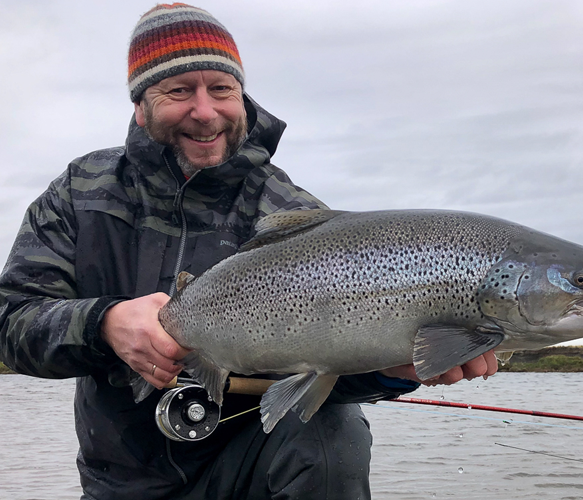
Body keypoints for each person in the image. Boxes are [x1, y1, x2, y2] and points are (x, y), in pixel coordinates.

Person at [0, 4, 498, 499]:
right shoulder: (80, 192)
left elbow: (325, 381)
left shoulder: (293, 216)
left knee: (335, 434)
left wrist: (390, 370)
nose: (205, 110)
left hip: (253, 467)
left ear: (241, 94)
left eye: (222, 89)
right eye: (178, 90)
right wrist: (102, 325)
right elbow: (10, 322)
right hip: (120, 480)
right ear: (140, 104)